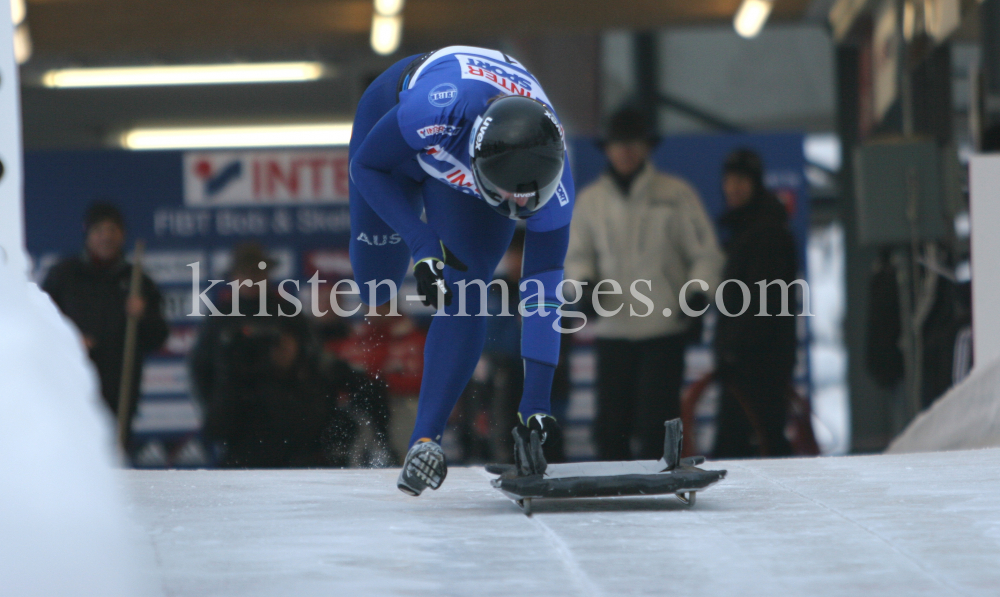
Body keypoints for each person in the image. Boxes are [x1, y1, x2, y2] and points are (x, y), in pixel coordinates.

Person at [348, 46, 574, 495]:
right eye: (506, 197)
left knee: (466, 290)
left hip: (465, 170)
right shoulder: (439, 107)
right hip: (399, 125)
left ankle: (423, 441)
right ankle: (406, 242)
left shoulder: (557, 177)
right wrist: (421, 241)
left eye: (525, 202)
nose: (517, 209)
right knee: (376, 283)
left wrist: (536, 401)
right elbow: (366, 166)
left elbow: (544, 292)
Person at [565, 107, 724, 461]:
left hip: (664, 330)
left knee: (659, 426)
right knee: (611, 428)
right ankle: (612, 500)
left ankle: (664, 496)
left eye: (633, 143)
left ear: (648, 147)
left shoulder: (676, 194)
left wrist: (699, 292)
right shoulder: (590, 202)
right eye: (618, 143)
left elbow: (706, 254)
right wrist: (583, 285)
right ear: (607, 148)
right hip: (613, 331)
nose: (626, 151)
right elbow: (576, 257)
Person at [189, 244, 389, 467]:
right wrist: (216, 404)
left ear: (267, 275)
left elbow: (314, 359)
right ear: (234, 277)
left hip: (285, 417)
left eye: (258, 272)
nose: (252, 279)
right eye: (246, 273)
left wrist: (292, 362)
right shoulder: (219, 317)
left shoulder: (287, 311)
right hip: (237, 418)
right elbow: (201, 367)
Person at [43, 202, 169, 445]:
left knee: (114, 454)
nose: (106, 238)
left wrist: (143, 314)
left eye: (113, 231)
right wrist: (70, 341)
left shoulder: (137, 280)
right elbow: (40, 324)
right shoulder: (64, 275)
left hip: (119, 386)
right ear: (88, 234)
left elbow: (158, 336)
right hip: (73, 385)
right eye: (99, 231)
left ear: (122, 235)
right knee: (74, 451)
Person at [712, 148, 797, 458]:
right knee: (759, 444)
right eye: (730, 180)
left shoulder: (766, 232)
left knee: (751, 448)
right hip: (749, 361)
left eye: (742, 180)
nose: (734, 188)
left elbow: (764, 302)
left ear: (756, 184)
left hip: (759, 364)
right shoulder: (745, 228)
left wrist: (735, 350)